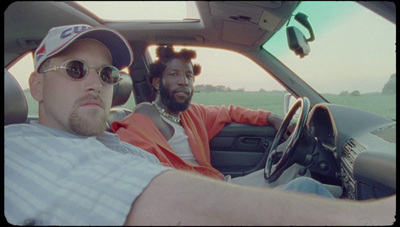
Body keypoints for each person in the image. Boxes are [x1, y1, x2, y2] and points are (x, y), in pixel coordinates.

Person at [5, 24, 395, 226]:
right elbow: (148, 195)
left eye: (107, 73)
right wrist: (367, 217)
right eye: (75, 70)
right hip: (205, 195)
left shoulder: (110, 139)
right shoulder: (20, 146)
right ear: (35, 85)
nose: (96, 83)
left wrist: (275, 117)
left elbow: (229, 110)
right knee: (309, 185)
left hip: (211, 188)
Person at [111, 45, 317, 189]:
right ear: (157, 83)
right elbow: (139, 171)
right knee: (305, 187)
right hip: (200, 197)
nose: (184, 82)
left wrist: (271, 117)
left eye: (189, 76)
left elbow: (229, 111)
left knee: (298, 169)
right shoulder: (139, 121)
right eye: (174, 74)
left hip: (220, 185)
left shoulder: (191, 114)